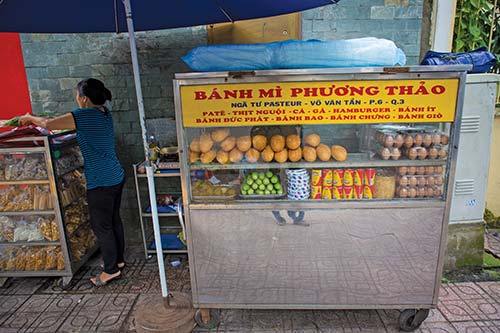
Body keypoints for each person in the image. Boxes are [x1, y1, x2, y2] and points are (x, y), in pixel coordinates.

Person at [19, 78, 126, 287]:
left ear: (84, 98)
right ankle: (118, 261)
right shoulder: (104, 112)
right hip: (115, 175)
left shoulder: (84, 115)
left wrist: (29, 117)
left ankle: (111, 270)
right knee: (113, 220)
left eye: (77, 95)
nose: (76, 98)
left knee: (101, 226)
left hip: (101, 181)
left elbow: (49, 124)